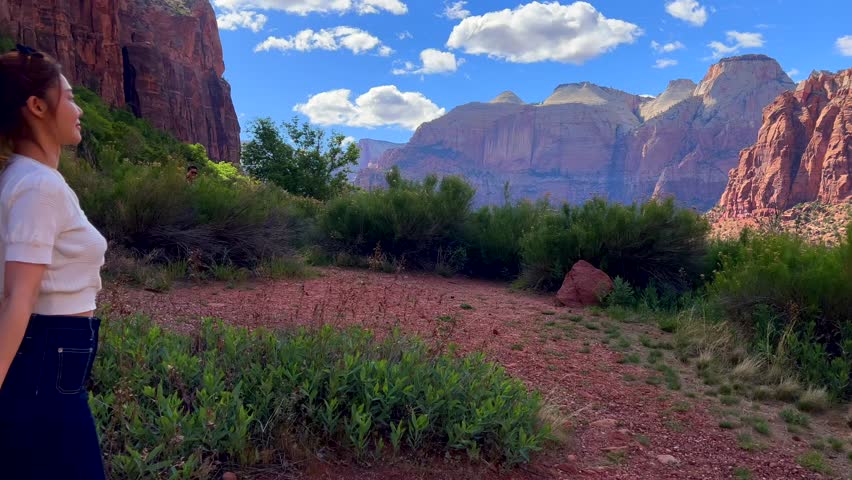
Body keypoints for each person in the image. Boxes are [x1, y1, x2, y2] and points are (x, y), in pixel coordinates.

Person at [0, 44, 108, 479]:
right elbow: (17, 298)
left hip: (48, 359)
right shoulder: (39, 187)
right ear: (37, 106)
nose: (78, 108)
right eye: (69, 96)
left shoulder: (23, 178)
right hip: (44, 362)